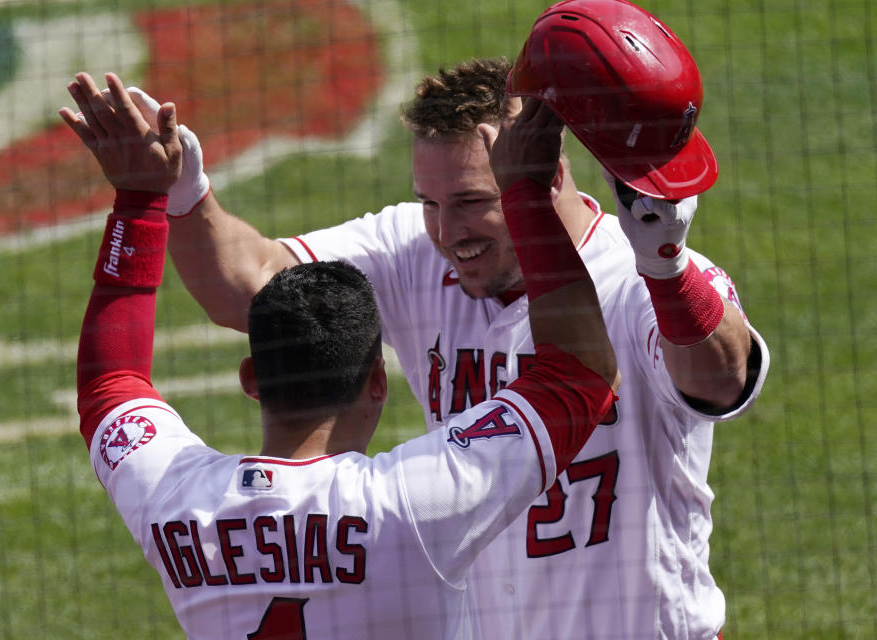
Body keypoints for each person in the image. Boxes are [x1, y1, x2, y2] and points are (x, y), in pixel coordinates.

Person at [113, 6, 769, 638]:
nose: (449, 234)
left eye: (473, 202)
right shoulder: (412, 250)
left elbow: (721, 378)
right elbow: (246, 290)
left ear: (548, 173)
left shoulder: (638, 275)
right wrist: (183, 190)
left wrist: (666, 267)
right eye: (431, 202)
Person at [62, 71, 620, 639]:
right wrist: (527, 195)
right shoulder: (413, 509)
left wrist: (140, 202)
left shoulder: (177, 505)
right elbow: (581, 372)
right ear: (377, 381)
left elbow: (111, 382)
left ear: (251, 378)